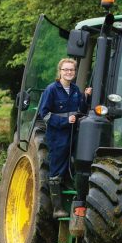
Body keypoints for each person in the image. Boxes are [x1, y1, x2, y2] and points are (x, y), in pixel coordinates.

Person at [38, 58, 91, 218]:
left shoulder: (75, 90)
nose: (69, 72)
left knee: (72, 162)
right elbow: (44, 114)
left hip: (73, 132)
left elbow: (81, 110)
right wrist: (64, 121)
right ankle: (57, 208)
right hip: (57, 134)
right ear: (60, 71)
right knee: (57, 167)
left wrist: (86, 97)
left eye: (71, 70)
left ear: (74, 73)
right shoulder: (51, 89)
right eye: (66, 69)